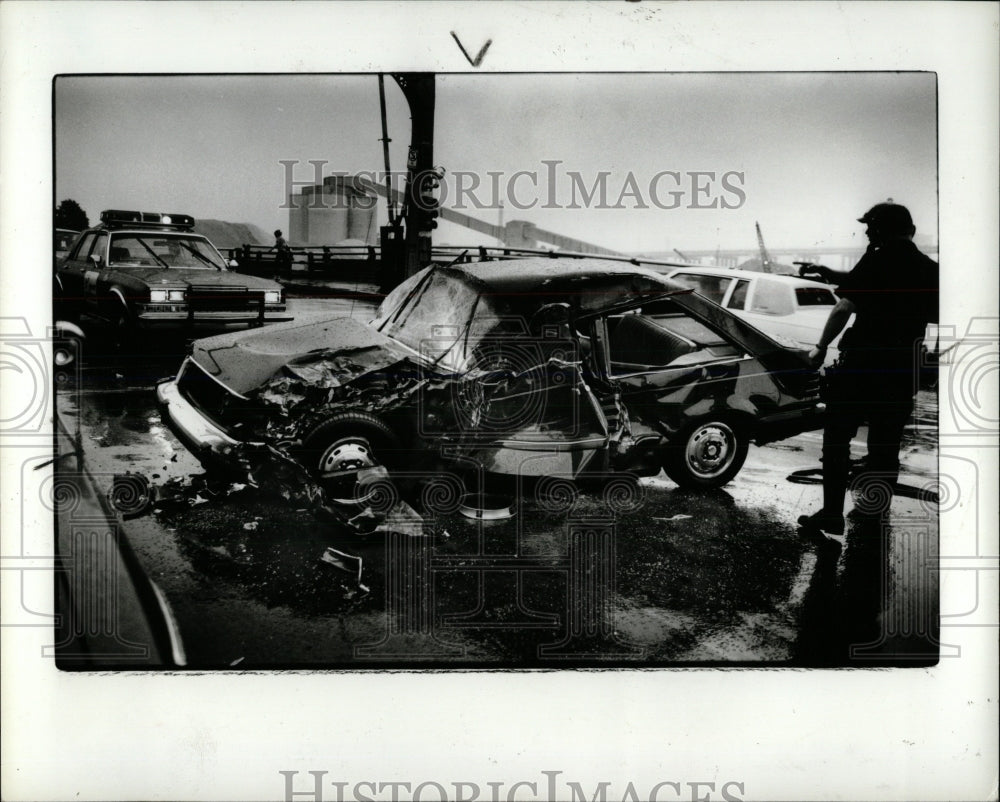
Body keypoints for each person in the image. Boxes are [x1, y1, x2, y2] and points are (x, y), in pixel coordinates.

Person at [797, 202, 938, 537]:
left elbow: (845, 305)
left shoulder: (877, 258)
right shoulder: (930, 269)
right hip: (903, 369)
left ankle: (832, 513)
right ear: (911, 231)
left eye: (869, 227)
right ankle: (873, 512)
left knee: (837, 438)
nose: (865, 233)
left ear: (879, 230)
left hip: (862, 366)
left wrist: (819, 347)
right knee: (885, 445)